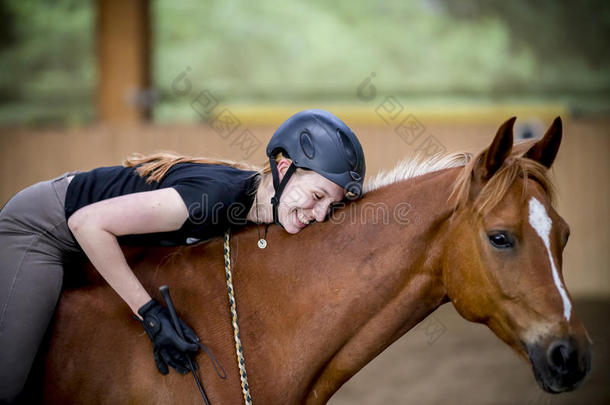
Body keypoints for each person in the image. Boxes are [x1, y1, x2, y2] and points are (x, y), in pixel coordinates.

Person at [0, 109, 366, 402]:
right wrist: (150, 315)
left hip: (86, 230)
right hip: (44, 228)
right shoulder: (216, 199)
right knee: (9, 382)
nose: (319, 215)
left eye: (330, 207)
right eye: (317, 197)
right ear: (284, 168)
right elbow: (87, 223)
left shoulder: (257, 204)